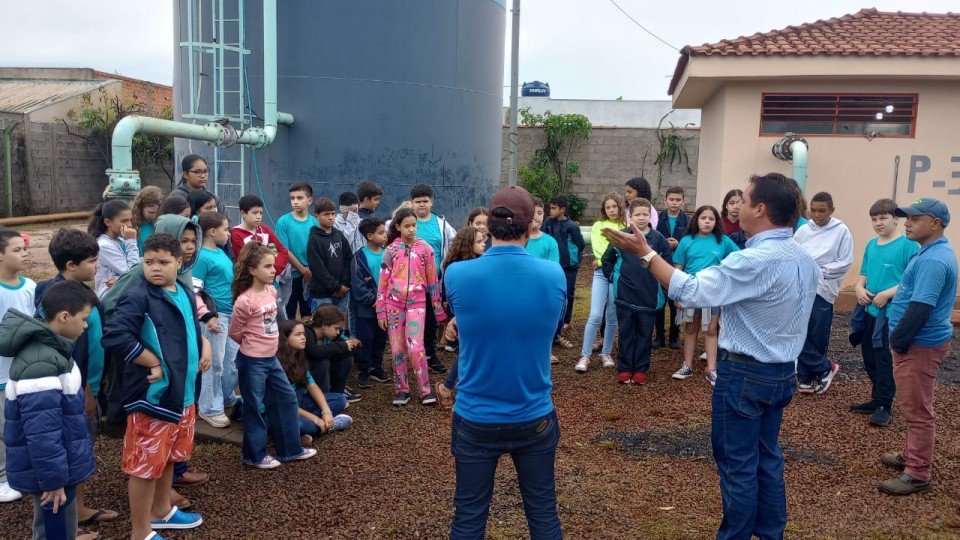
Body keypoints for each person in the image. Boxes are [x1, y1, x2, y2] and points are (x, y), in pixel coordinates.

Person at [602, 172, 819, 540]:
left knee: (739, 465)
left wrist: (646, 254)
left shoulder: (754, 260)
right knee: (767, 458)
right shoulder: (803, 257)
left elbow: (689, 291)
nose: (737, 207)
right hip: (782, 373)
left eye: (744, 201)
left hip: (745, 377)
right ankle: (770, 533)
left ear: (760, 209)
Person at [444, 185, 566, 539]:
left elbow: (470, 317)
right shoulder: (553, 274)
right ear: (530, 227)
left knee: (469, 516)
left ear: (488, 225)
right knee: (543, 511)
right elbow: (551, 322)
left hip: (475, 416)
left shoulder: (457, 274)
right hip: (534, 415)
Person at [101, 233, 212, 538]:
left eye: (163, 262)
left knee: (169, 457)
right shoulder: (138, 296)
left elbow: (189, 327)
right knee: (144, 465)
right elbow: (114, 335)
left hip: (181, 395)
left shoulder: (185, 291)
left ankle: (162, 511)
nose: (155, 268)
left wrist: (204, 345)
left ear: (180, 262)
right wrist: (151, 360)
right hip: (153, 398)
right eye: (149, 262)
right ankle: (141, 531)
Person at [34, 229, 120, 530]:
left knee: (81, 449)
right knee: (70, 451)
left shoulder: (80, 293)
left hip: (90, 383)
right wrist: (88, 389)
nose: (98, 266)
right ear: (71, 265)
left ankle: (78, 511)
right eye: (93, 261)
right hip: (77, 389)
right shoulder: (59, 300)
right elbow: (70, 352)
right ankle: (66, 523)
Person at [0, 281, 98, 540]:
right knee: (54, 528)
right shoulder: (41, 362)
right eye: (84, 319)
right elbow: (42, 431)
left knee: (62, 525)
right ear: (64, 317)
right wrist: (53, 482)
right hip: (52, 473)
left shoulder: (52, 350)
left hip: (58, 465)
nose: (86, 326)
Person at [879, 198, 956, 496]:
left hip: (919, 345)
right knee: (914, 403)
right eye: (907, 218)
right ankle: (911, 455)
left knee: (918, 409)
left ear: (935, 224)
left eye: (915, 218)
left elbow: (921, 308)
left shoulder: (933, 260)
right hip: (918, 343)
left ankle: (918, 472)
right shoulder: (929, 252)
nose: (907, 223)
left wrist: (898, 341)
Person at [228, 242, 318, 469]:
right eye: (267, 266)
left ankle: (290, 449)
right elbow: (235, 332)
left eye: (273, 265)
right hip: (253, 362)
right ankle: (254, 455)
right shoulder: (245, 301)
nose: (274, 270)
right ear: (252, 270)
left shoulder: (271, 291)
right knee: (254, 406)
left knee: (287, 398)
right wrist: (253, 347)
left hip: (272, 359)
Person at [850, 199, 919, 427]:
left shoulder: (908, 245)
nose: (878, 223)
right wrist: (859, 288)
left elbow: (912, 280)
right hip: (870, 310)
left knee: (884, 359)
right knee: (869, 356)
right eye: (874, 219)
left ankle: (884, 405)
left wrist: (887, 294)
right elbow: (864, 273)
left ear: (896, 219)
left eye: (883, 218)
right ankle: (877, 398)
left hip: (891, 314)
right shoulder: (872, 244)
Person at [376, 207, 447, 406]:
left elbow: (433, 281)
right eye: (407, 226)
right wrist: (380, 311)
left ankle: (425, 390)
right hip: (393, 305)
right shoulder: (390, 250)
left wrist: (438, 309)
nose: (412, 229)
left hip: (417, 304)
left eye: (414, 225)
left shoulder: (425, 249)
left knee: (416, 347)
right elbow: (382, 282)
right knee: (397, 349)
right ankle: (402, 389)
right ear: (398, 226)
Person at [669, 205, 740, 386]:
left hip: (713, 293)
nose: (707, 222)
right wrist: (678, 294)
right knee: (691, 327)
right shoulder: (686, 241)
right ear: (696, 220)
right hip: (691, 291)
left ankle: (712, 369)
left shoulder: (723, 241)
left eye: (711, 219)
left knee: (711, 329)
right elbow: (678, 268)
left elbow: (739, 259)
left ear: (716, 222)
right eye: (703, 218)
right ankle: (687, 365)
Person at [601, 198, 668, 385]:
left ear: (650, 216)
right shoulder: (622, 236)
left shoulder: (659, 239)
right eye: (637, 214)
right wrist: (614, 278)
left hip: (649, 297)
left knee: (645, 335)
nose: (641, 218)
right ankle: (624, 368)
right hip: (625, 295)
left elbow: (667, 266)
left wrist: (663, 291)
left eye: (645, 214)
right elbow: (607, 260)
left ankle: (640, 369)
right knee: (626, 333)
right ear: (630, 216)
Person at [793, 191, 853, 394]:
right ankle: (822, 368)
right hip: (802, 286)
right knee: (798, 330)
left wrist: (819, 271)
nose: (817, 215)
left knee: (817, 332)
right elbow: (794, 254)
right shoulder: (803, 230)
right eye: (814, 211)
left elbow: (845, 261)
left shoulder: (841, 231)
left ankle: (813, 374)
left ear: (832, 210)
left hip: (824, 287)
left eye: (822, 211)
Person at [192, 212, 239, 429]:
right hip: (215, 317)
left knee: (230, 362)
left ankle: (226, 396)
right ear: (212, 231)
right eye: (225, 229)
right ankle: (209, 407)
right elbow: (194, 290)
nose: (228, 233)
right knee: (215, 364)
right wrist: (207, 316)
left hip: (230, 313)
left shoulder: (220, 252)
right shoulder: (201, 257)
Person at [0, 228, 35, 504]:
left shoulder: (31, 286)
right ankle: (3, 478)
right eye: (17, 250)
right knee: (3, 429)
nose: (24, 254)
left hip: (24, 372)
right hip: (1, 374)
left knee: (22, 425)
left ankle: (21, 471)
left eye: (24, 249)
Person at [276, 320, 352, 444]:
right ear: (285, 339)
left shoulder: (299, 355)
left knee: (340, 399)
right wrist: (315, 419)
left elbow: (312, 386)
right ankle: (329, 425)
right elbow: (285, 404)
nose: (303, 338)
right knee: (298, 424)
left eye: (303, 334)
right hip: (282, 408)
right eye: (298, 334)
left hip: (301, 401)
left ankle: (308, 431)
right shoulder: (276, 363)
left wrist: (326, 411)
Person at [409, 184, 456, 374]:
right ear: (412, 203)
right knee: (411, 322)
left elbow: (453, 245)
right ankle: (410, 356)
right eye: (417, 202)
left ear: (431, 202)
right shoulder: (407, 222)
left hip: (433, 284)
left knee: (430, 321)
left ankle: (430, 355)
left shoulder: (441, 224)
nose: (421, 205)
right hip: (409, 285)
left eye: (425, 201)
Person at [576, 193, 626, 373]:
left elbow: (624, 251)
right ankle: (585, 355)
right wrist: (605, 260)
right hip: (600, 274)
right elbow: (598, 248)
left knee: (612, 316)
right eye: (608, 207)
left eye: (614, 206)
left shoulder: (626, 226)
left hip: (617, 274)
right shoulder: (598, 225)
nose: (611, 210)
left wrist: (603, 261)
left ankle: (606, 353)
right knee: (595, 314)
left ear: (620, 207)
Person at [350, 217, 391, 388]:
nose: (385, 235)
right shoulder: (358, 257)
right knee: (366, 339)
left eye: (385, 232)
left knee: (381, 339)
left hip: (386, 308)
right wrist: (375, 300)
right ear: (369, 236)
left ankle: (376, 367)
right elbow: (357, 285)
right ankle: (364, 370)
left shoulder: (388, 253)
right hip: (366, 310)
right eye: (381, 233)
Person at [541, 195, 585, 348]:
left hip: (568, 266)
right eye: (550, 208)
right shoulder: (548, 222)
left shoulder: (571, 226)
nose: (551, 211)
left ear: (563, 210)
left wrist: (572, 257)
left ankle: (566, 320)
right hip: (552, 265)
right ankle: (552, 319)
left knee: (568, 293)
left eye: (554, 208)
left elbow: (580, 244)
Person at [307, 197, 353, 325]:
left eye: (333, 213)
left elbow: (348, 259)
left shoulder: (339, 234)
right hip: (323, 294)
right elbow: (318, 269)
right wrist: (335, 287)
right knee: (324, 327)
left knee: (338, 326)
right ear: (316, 215)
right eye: (326, 214)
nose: (331, 217)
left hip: (342, 292)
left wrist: (344, 284)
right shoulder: (314, 239)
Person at [275, 182, 317, 319]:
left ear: (309, 200)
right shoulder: (283, 222)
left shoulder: (315, 223)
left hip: (311, 276)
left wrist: (310, 272)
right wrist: (303, 271)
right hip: (290, 276)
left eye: (299, 198)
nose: (295, 201)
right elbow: (284, 250)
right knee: (289, 314)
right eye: (292, 198)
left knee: (308, 314)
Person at [654, 187, 688, 349]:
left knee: (675, 302)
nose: (674, 203)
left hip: (679, 266)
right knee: (659, 301)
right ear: (665, 200)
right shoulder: (658, 218)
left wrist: (678, 244)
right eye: (671, 199)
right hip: (660, 264)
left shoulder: (688, 220)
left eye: (678, 200)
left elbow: (691, 240)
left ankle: (674, 337)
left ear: (683, 201)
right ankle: (659, 336)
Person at [305, 305, 361, 400]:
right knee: (322, 362)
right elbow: (313, 352)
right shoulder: (307, 332)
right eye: (336, 328)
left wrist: (353, 345)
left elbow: (346, 350)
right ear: (324, 325)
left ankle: (337, 394)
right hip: (306, 373)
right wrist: (343, 346)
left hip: (323, 371)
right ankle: (324, 397)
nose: (338, 332)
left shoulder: (332, 335)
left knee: (347, 359)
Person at [90, 200, 139, 298]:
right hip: (111, 298)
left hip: (123, 293)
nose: (129, 225)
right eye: (124, 221)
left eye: (130, 220)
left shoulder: (120, 240)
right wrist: (131, 242)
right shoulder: (104, 245)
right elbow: (132, 272)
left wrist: (117, 279)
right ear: (107, 222)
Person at [230, 194, 289, 275]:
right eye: (255, 213)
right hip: (250, 278)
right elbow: (244, 261)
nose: (259, 217)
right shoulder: (236, 234)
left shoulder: (265, 230)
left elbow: (283, 251)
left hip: (271, 276)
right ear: (243, 213)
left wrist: (274, 268)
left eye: (261, 213)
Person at [524, 198, 560, 264]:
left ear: (543, 215)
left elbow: (553, 268)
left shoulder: (550, 242)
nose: (535, 216)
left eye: (539, 213)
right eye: (532, 213)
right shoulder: (517, 239)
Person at [132, 186, 163, 254]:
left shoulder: (160, 223)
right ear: (141, 207)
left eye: (156, 213)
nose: (153, 216)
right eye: (150, 213)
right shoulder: (132, 223)